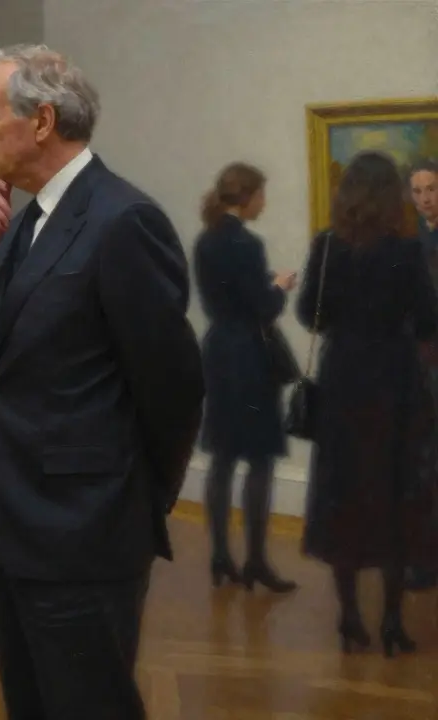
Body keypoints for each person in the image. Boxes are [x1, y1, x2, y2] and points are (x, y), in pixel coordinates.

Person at [0, 44, 203, 718]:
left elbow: (173, 388)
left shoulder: (122, 221)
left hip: (85, 536)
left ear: (44, 121)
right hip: (12, 529)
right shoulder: (23, 225)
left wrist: (136, 502)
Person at [297, 151, 438, 657]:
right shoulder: (404, 249)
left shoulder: (328, 246)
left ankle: (351, 619)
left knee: (345, 500)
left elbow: (309, 313)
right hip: (396, 385)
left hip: (344, 385)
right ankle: (394, 624)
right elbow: (427, 319)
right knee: (399, 496)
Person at [193, 162, 298, 592]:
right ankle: (255, 559)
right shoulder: (247, 244)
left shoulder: (205, 240)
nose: (264, 202)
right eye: (261, 195)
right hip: (251, 357)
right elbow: (263, 306)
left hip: (218, 351)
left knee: (221, 457)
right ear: (249, 195)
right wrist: (280, 286)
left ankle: (220, 555)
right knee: (259, 458)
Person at [407, 159, 438, 591]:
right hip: (420, 359)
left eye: (430, 189)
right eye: (416, 191)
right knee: (424, 461)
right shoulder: (409, 240)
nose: (425, 198)